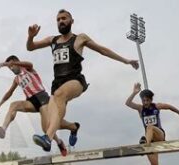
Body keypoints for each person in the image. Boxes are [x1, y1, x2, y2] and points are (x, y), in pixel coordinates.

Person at [26, 9, 139, 151]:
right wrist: (30, 37)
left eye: (64, 18)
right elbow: (30, 47)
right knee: (48, 122)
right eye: (58, 19)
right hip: (57, 84)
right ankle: (73, 127)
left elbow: (102, 50)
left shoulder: (80, 38)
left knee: (60, 95)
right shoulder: (52, 40)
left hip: (75, 81)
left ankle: (47, 138)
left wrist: (126, 61)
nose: (61, 21)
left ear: (71, 21)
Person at [0, 55, 79, 156]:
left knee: (46, 128)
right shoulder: (17, 79)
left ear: (16, 62)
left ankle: (72, 128)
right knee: (13, 105)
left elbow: (30, 64)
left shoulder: (28, 69)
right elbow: (9, 93)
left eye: (12, 66)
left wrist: (11, 63)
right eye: (9, 68)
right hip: (31, 102)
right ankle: (3, 130)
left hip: (43, 99)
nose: (11, 68)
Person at [125, 83, 179, 165]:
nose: (145, 103)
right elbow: (127, 103)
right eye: (143, 101)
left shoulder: (156, 106)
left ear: (151, 100)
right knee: (154, 164)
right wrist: (134, 92)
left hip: (159, 135)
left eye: (147, 100)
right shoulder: (140, 108)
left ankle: (144, 145)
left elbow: (169, 107)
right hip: (149, 140)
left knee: (150, 127)